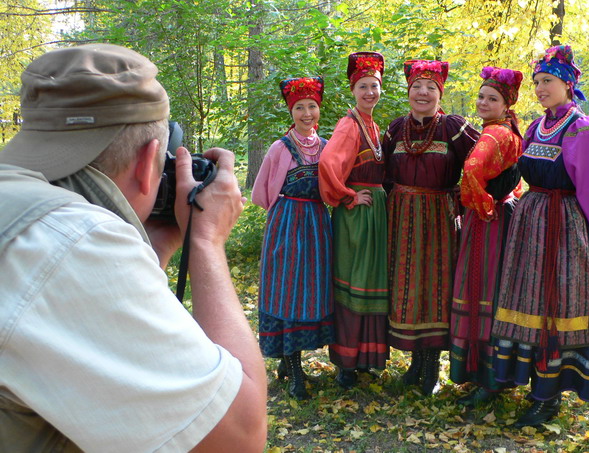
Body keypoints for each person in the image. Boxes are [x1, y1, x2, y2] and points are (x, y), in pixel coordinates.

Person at [0, 44, 267, 452]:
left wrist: (156, 245)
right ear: (148, 162)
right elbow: (239, 436)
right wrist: (206, 240)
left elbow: (79, 328)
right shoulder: (71, 241)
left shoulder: (26, 214)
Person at [491, 45, 589, 427]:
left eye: (548, 81)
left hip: (563, 228)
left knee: (556, 305)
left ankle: (548, 396)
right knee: (526, 300)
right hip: (530, 224)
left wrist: (584, 236)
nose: (540, 88)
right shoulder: (535, 127)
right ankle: (523, 380)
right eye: (537, 82)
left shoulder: (583, 128)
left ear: (567, 84)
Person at [382, 59, 480, 395]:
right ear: (408, 91)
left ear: (440, 93)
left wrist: (472, 200)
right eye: (416, 87)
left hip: (439, 219)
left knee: (436, 288)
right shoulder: (396, 129)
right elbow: (381, 173)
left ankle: (432, 369)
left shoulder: (454, 127)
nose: (422, 93)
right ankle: (415, 364)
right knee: (408, 287)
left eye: (430, 87)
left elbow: (487, 159)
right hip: (401, 221)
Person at [251, 76, 335, 400]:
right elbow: (261, 193)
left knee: (310, 291)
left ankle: (290, 362)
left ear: (319, 109)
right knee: (286, 291)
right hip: (286, 225)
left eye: (312, 106)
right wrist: (285, 216)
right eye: (299, 107)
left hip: (317, 225)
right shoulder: (279, 148)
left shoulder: (326, 146)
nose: (306, 113)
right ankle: (294, 370)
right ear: (291, 111)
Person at [449, 66, 524, 407]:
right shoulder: (510, 130)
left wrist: (479, 203)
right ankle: (497, 374)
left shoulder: (494, 134)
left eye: (492, 99)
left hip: (487, 222)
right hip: (503, 216)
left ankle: (487, 377)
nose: (483, 102)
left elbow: (472, 169)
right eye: (480, 96)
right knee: (498, 291)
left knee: (481, 289)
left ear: (506, 105)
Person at [318, 51, 388, 389]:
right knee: (352, 281)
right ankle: (346, 363)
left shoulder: (372, 124)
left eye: (374, 86)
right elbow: (328, 164)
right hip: (356, 217)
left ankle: (365, 358)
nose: (369, 92)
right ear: (353, 90)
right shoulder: (349, 125)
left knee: (370, 282)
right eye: (363, 86)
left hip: (374, 215)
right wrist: (348, 195)